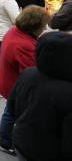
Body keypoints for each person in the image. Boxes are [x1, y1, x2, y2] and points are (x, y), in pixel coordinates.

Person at [7, 31, 72, 161]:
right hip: (48, 153)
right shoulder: (68, 92)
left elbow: (11, 106)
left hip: (22, 140)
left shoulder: (28, 73)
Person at [0, 5, 50, 155]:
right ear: (34, 26)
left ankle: (4, 129)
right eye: (43, 26)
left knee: (9, 111)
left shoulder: (15, 30)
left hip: (7, 79)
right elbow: (31, 73)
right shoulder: (25, 45)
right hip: (14, 86)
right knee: (12, 112)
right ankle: (5, 142)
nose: (44, 29)